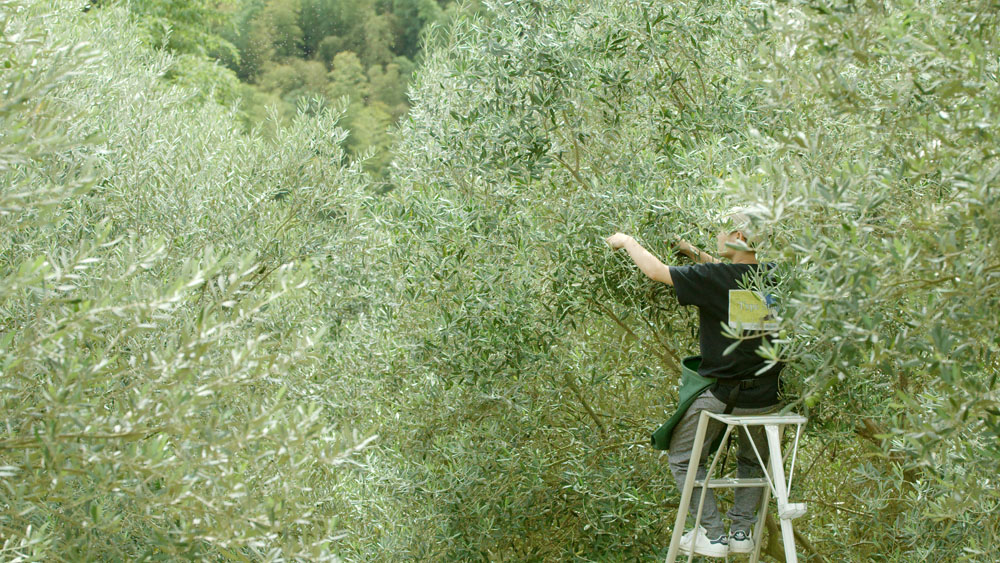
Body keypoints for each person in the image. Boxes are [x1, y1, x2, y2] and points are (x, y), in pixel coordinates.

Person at [606, 208, 782, 558]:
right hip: (767, 398)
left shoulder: (715, 279)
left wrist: (626, 241)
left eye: (722, 230)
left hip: (724, 396)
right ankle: (742, 532)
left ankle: (712, 534)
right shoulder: (775, 277)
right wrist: (689, 250)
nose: (717, 235)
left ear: (739, 238)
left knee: (683, 458)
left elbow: (656, 271)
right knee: (753, 463)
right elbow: (731, 278)